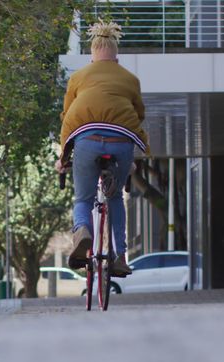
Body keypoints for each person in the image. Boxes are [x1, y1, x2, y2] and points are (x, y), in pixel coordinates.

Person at [56, 21, 148, 277]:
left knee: (83, 199)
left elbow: (67, 114)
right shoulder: (130, 79)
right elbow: (138, 114)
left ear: (92, 56)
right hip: (122, 141)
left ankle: (83, 231)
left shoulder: (78, 77)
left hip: (85, 140)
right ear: (115, 56)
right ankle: (119, 256)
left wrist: (62, 157)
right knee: (116, 196)